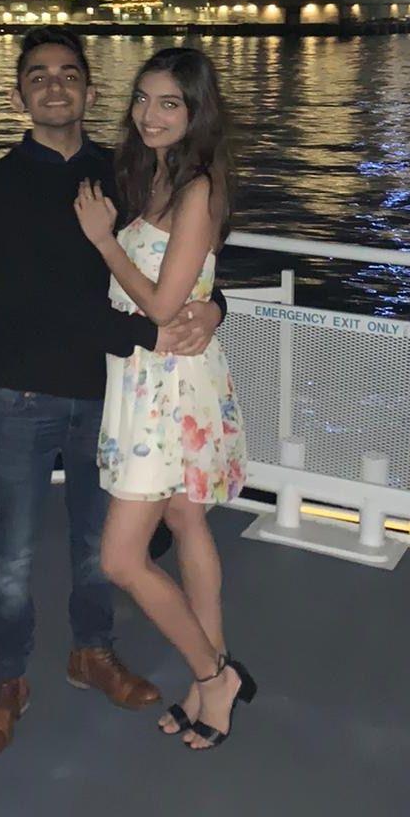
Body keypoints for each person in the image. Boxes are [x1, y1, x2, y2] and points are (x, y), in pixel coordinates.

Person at [0, 29, 226, 758]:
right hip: (25, 389)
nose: (55, 86)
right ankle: (7, 679)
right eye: (38, 76)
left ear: (89, 89)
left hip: (109, 392)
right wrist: (153, 333)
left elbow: (183, 258)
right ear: (18, 96)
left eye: (69, 74)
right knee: (14, 548)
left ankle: (93, 652)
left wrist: (215, 307)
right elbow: (40, 297)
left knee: (95, 541)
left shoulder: (126, 173)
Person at [72, 46, 257, 752]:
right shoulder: (151, 174)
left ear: (196, 112)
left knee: (122, 559)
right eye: (142, 99)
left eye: (168, 103)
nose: (149, 115)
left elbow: (160, 303)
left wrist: (103, 242)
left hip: (168, 388)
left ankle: (215, 676)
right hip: (149, 378)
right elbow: (185, 292)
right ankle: (207, 682)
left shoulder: (197, 189)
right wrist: (212, 305)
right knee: (185, 518)